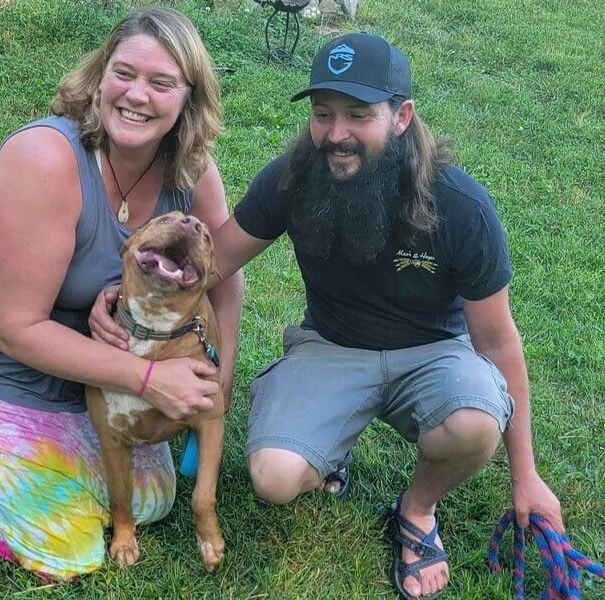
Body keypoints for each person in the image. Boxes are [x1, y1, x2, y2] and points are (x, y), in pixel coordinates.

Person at [93, 32, 563, 598]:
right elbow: (212, 265)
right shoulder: (293, 178)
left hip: (433, 354)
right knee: (273, 477)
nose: (337, 134)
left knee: (474, 423)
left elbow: (497, 342)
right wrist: (123, 293)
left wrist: (525, 475)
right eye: (323, 114)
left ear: (402, 117)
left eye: (358, 115)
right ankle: (328, 450)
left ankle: (417, 510)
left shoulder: (459, 207)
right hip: (331, 347)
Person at [0, 7, 243, 580]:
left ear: (189, 98)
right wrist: (149, 379)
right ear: (100, 75)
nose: (137, 95)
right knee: (65, 549)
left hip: (78, 360)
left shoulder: (189, 168)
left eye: (162, 83)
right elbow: (16, 329)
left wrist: (221, 374)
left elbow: (225, 271)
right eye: (124, 73)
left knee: (151, 500)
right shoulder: (46, 159)